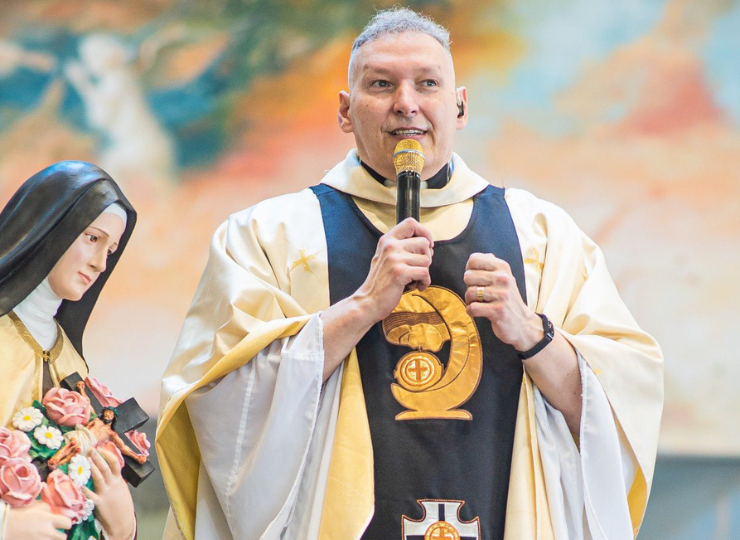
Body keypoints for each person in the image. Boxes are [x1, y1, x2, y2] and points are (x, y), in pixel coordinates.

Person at [158, 8, 663, 540]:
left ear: (460, 106)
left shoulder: (542, 236)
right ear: (346, 111)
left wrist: (533, 334)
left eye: (427, 83)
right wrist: (362, 306)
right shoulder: (271, 234)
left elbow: (619, 412)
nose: (406, 103)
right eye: (381, 84)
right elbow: (219, 409)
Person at [0, 161, 139, 540]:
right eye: (92, 238)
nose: (99, 263)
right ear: (47, 227)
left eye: (110, 249)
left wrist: (123, 525)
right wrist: (5, 525)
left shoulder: (71, 360)